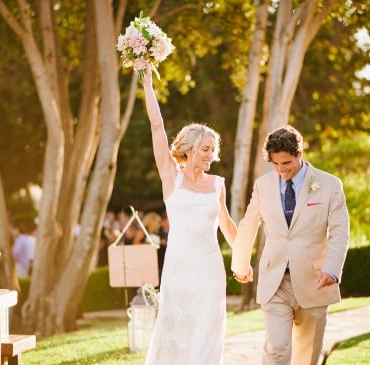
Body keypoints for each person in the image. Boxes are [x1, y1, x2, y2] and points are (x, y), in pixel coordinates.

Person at [142, 67, 237, 364]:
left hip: (210, 268)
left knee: (209, 329)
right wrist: (146, 80)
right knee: (178, 329)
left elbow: (226, 224)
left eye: (214, 150)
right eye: (206, 149)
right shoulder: (171, 178)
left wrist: (243, 260)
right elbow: (157, 127)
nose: (212, 155)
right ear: (190, 148)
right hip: (179, 267)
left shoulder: (217, 184)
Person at [231, 125, 350, 365]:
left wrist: (331, 269)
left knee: (307, 356)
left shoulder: (330, 185)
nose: (281, 170)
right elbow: (248, 225)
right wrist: (240, 264)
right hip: (275, 281)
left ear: (300, 154)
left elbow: (340, 232)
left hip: (315, 280)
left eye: (286, 163)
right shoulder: (263, 185)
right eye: (275, 164)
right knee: (277, 349)